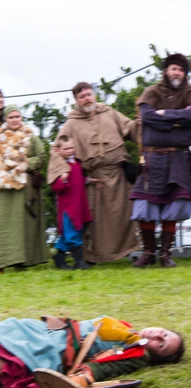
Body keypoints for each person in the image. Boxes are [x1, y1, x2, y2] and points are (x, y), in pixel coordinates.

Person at [130, 53, 191, 268]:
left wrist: (164, 115)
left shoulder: (189, 92)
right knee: (145, 205)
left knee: (174, 204)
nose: (177, 72)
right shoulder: (151, 91)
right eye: (173, 69)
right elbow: (147, 116)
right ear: (165, 71)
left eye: (180, 69)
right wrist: (177, 120)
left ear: (185, 73)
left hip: (178, 158)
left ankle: (165, 254)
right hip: (152, 157)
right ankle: (148, 252)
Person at [0, 315, 184, 388]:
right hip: (50, 331)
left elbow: (109, 367)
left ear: (159, 357)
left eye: (162, 345)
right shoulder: (128, 328)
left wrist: (83, 377)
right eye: (165, 333)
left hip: (56, 346)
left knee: (14, 350)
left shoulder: (139, 353)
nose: (158, 336)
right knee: (11, 329)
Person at [57, 82, 139, 264]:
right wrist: (71, 175)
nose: (87, 98)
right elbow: (57, 149)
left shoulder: (109, 113)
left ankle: (131, 250)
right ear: (76, 101)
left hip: (119, 176)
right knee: (95, 221)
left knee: (124, 215)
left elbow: (131, 128)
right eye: (82, 96)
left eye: (89, 94)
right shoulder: (71, 124)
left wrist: (141, 123)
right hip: (94, 179)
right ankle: (92, 256)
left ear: (94, 95)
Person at [0, 104, 48, 271]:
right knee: (3, 225)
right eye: (11, 117)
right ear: (5, 119)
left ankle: (21, 261)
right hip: (3, 188)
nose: (15, 120)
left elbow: (41, 157)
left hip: (24, 187)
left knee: (22, 225)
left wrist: (26, 164)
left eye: (17, 116)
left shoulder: (30, 136)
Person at [47, 135, 94, 270]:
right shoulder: (58, 166)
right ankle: (79, 261)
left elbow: (78, 182)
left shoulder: (76, 164)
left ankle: (59, 257)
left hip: (79, 204)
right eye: (66, 148)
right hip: (68, 206)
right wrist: (63, 180)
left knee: (75, 230)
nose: (70, 150)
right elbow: (56, 187)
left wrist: (89, 180)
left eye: (72, 147)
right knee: (71, 232)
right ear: (59, 150)